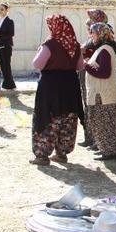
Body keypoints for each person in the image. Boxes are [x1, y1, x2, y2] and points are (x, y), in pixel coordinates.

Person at [31, 15, 85, 166]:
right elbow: (80, 66)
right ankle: (62, 153)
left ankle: (42, 155)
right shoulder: (74, 45)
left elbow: (37, 64)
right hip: (70, 86)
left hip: (51, 86)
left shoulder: (50, 45)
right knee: (67, 119)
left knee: (48, 118)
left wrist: (40, 50)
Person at [85, 22, 116, 161]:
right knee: (100, 123)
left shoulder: (105, 49)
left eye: (93, 32)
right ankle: (105, 149)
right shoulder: (102, 49)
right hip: (101, 94)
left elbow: (104, 72)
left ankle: (109, 151)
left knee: (105, 124)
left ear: (100, 34)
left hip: (104, 95)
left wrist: (86, 66)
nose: (91, 35)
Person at [78, 9, 108, 148]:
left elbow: (84, 51)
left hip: (94, 76)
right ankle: (90, 138)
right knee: (88, 106)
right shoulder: (92, 39)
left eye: (92, 21)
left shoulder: (101, 39)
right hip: (87, 74)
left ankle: (96, 140)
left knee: (95, 107)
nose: (89, 26)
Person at [0, 2, 16, 90]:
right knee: (2, 65)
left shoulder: (9, 21)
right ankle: (7, 84)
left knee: (6, 66)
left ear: (6, 10)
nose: (0, 11)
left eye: (2, 9)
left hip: (6, 46)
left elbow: (11, 34)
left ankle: (10, 85)